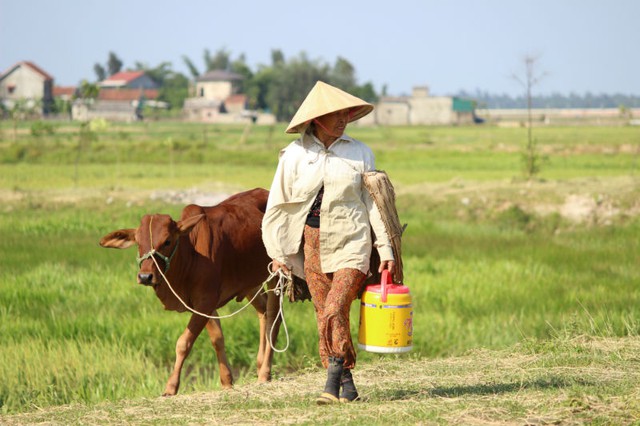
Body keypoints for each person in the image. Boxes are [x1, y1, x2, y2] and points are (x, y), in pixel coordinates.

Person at [261, 81, 395, 405]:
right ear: (317, 119)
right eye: (335, 114)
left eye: (346, 113)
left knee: (336, 306)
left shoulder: (360, 152)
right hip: (311, 243)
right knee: (325, 313)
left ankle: (331, 382)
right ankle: (348, 386)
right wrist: (278, 254)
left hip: (353, 240)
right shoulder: (294, 156)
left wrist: (386, 249)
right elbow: (278, 204)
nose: (342, 119)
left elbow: (374, 203)